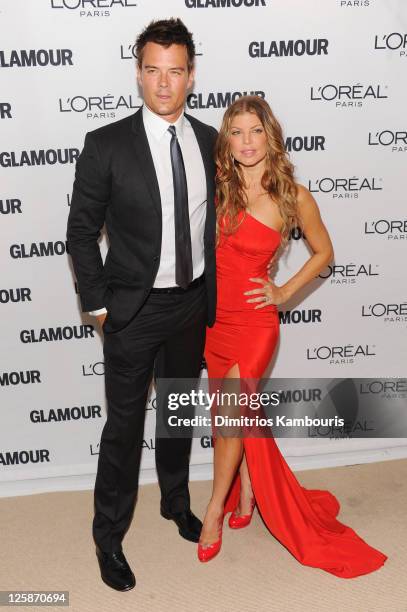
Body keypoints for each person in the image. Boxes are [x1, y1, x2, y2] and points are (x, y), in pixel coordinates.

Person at [198, 95, 388, 578]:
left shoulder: (292, 195)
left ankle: (215, 512)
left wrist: (282, 290)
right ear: (227, 139)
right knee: (230, 415)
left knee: (229, 418)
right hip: (213, 322)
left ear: (270, 136)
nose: (246, 142)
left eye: (255, 132)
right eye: (236, 132)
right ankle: (245, 492)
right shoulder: (216, 185)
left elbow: (324, 252)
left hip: (256, 325)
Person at [67, 18, 217, 591]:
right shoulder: (105, 144)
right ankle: (109, 539)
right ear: (138, 73)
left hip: (192, 304)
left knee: (178, 413)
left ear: (191, 75)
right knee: (123, 430)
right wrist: (99, 308)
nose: (163, 83)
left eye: (174, 71)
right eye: (152, 70)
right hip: (132, 310)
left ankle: (175, 503)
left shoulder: (209, 140)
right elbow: (81, 232)